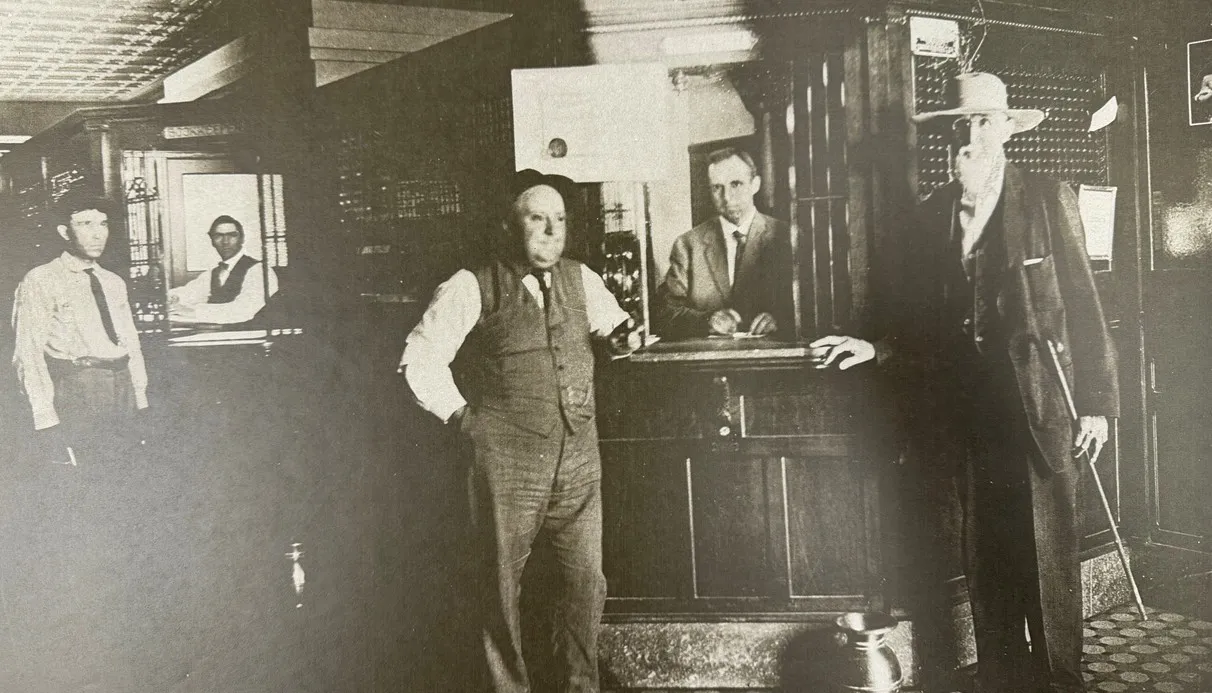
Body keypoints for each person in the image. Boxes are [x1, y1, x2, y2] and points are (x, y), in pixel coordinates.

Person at [809, 72, 1119, 693]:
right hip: (969, 418)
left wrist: (1097, 406)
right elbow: (921, 327)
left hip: (1041, 408)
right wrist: (872, 345)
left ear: (1007, 128)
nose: (972, 134)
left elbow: (1085, 309)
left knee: (1045, 561)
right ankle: (1003, 674)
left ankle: (1059, 680)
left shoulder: (1047, 198)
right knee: (989, 558)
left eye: (984, 121)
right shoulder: (932, 217)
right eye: (962, 124)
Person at [399, 170, 641, 693]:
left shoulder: (583, 279)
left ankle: (581, 686)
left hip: (578, 458)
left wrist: (627, 337)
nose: (552, 231)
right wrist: (465, 420)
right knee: (500, 587)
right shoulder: (471, 284)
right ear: (511, 226)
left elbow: (615, 329)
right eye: (537, 219)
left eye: (559, 220)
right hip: (506, 462)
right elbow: (418, 361)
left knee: (584, 583)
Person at [12, 193, 149, 460]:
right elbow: (28, 353)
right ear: (65, 231)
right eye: (85, 224)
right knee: (90, 481)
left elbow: (131, 343)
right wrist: (45, 417)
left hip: (122, 387)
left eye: (103, 224)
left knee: (129, 479)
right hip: (79, 389)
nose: (98, 234)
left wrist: (140, 398)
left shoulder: (112, 282)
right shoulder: (41, 279)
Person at [654, 147, 790, 339]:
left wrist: (782, 318)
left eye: (736, 184)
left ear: (755, 184)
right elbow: (664, 314)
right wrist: (706, 321)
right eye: (717, 187)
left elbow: (816, 305)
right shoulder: (688, 245)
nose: (726, 197)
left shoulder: (787, 237)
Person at [168, 215, 278, 324]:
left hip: (252, 335)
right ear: (212, 241)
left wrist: (194, 311)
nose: (225, 241)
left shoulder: (259, 271)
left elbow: (243, 310)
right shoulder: (213, 273)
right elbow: (190, 293)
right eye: (218, 236)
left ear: (242, 238)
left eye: (232, 235)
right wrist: (173, 298)